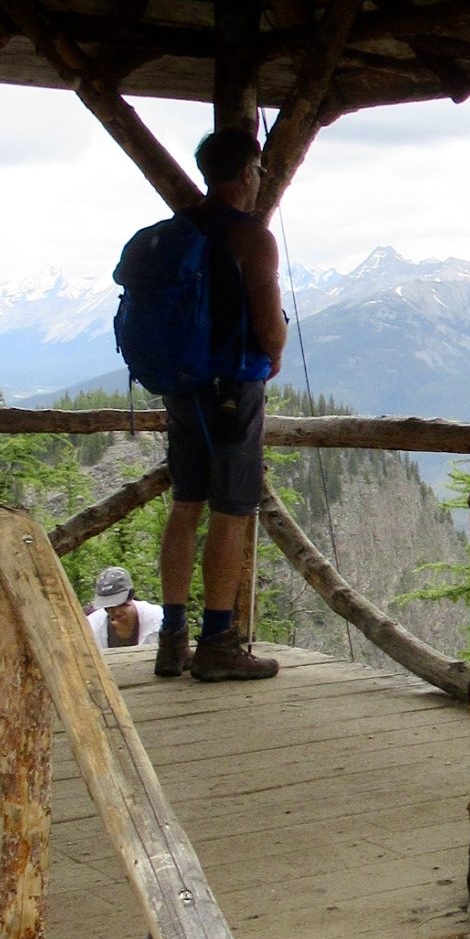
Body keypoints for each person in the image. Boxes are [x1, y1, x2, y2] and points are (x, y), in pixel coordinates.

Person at [157, 127, 289, 682]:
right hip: (233, 389)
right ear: (245, 173)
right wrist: (273, 355)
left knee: (186, 504)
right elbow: (269, 328)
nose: (260, 180)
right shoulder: (250, 237)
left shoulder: (178, 231)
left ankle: (171, 638)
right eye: (257, 170)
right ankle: (217, 642)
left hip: (181, 386)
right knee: (233, 511)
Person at [85, 562, 163, 652]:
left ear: (130, 596)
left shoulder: (156, 619)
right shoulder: (92, 627)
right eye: (109, 607)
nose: (116, 612)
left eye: (121, 604)